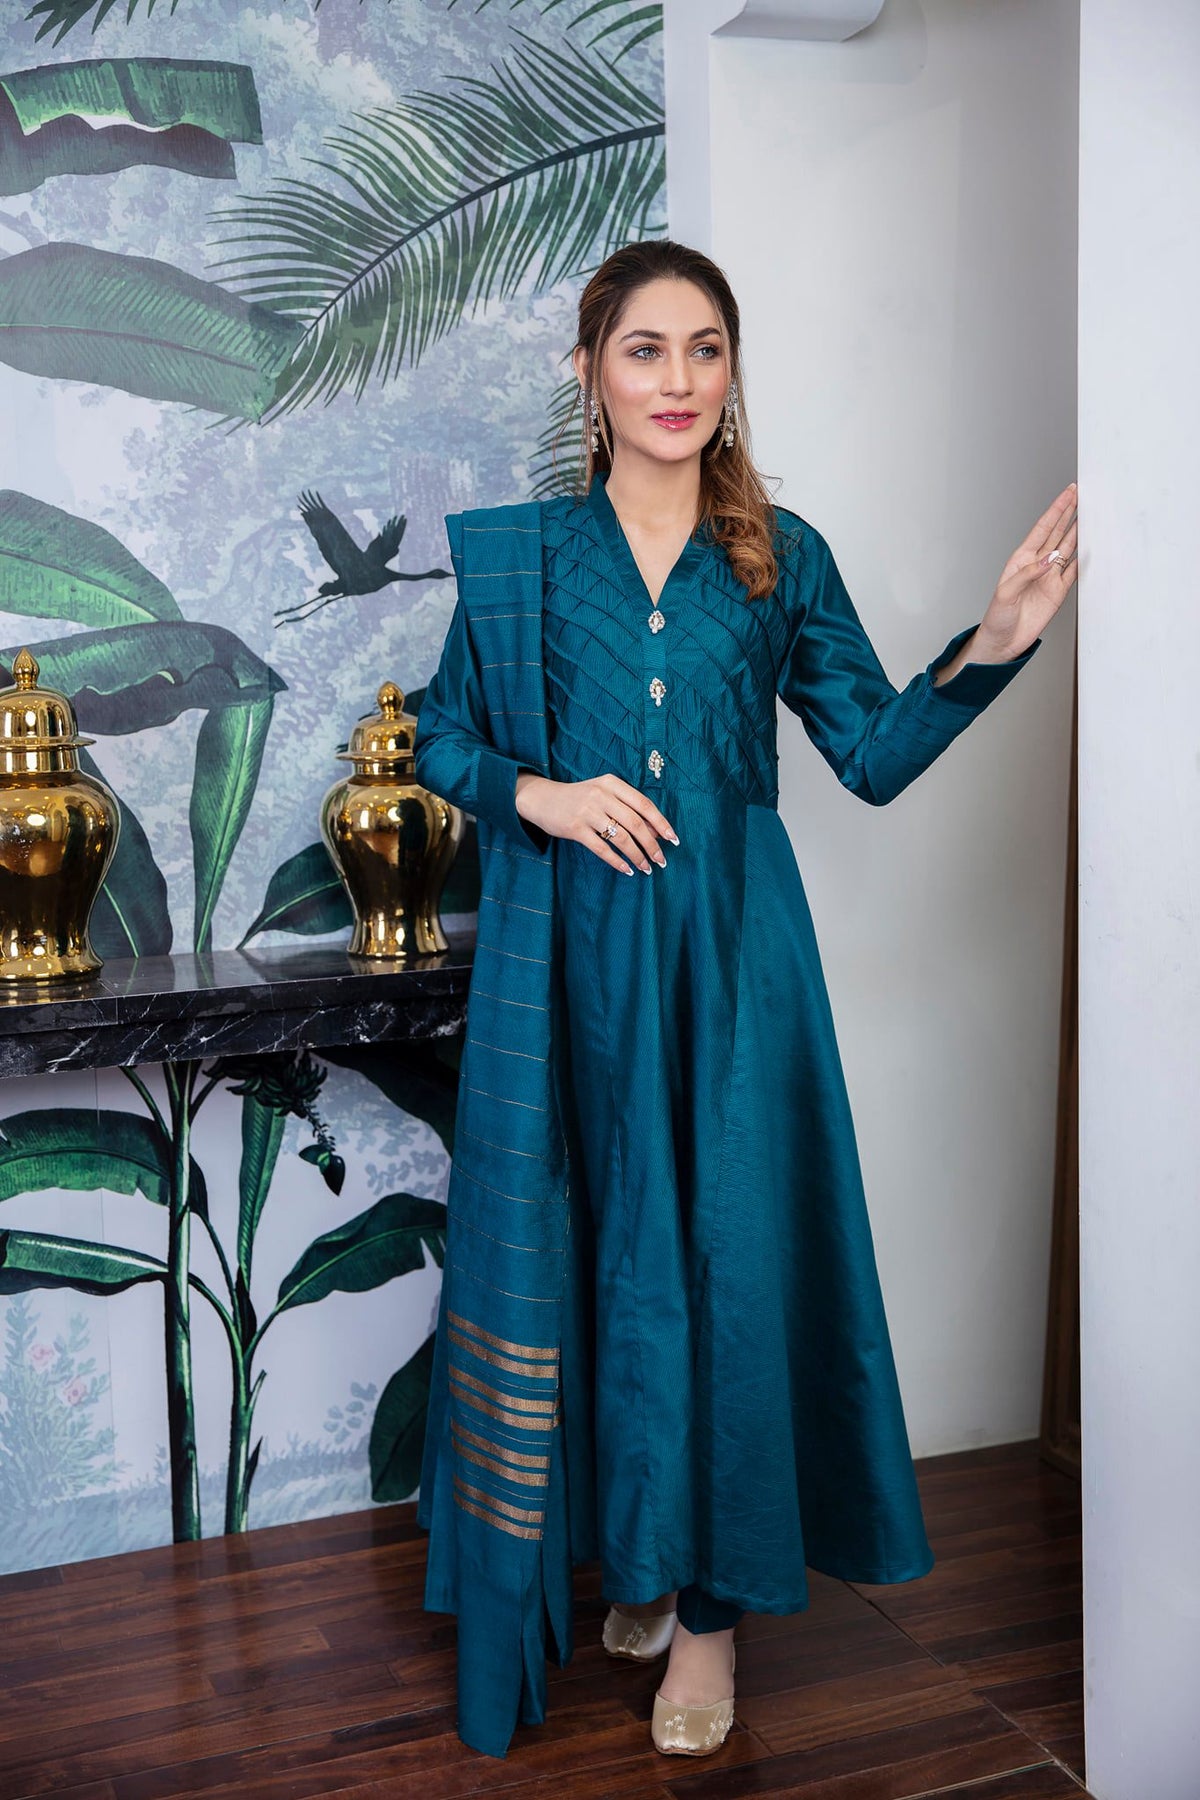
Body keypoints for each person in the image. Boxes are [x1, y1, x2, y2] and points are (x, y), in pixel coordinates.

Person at [412, 238, 1078, 1762]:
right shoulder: (526, 557)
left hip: (732, 967)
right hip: (570, 968)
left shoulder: (782, 554)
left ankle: (706, 1625)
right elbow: (444, 735)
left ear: (731, 372)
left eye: (705, 350)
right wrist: (545, 796)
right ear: (588, 373)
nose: (678, 381)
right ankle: (637, 1562)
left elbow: (873, 756)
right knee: (600, 1257)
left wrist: (996, 642)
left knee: (720, 1266)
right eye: (644, 350)